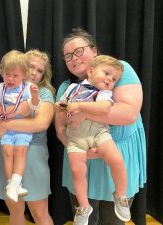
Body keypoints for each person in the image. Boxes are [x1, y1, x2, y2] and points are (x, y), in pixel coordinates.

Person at [55, 28, 146, 225]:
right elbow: (60, 129)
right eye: (68, 55)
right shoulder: (66, 87)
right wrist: (80, 148)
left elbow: (129, 113)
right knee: (85, 219)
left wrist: (84, 112)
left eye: (79, 51)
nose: (74, 58)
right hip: (81, 158)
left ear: (95, 51)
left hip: (114, 152)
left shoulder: (118, 70)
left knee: (113, 221)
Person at [0, 49, 55, 225]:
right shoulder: (3, 89)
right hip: (5, 150)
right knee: (15, 211)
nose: (34, 73)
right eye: (31, 67)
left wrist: (6, 123)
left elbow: (40, 124)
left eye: (40, 71)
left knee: (39, 213)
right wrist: (14, 112)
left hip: (32, 153)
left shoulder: (43, 93)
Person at [0, 50, 40, 203]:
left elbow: (33, 107)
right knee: (7, 153)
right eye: (7, 74)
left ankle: (16, 182)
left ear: (24, 75)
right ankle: (11, 185)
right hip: (5, 127)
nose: (11, 78)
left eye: (16, 75)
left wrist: (34, 95)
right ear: (2, 72)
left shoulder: (28, 87)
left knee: (20, 151)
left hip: (22, 127)